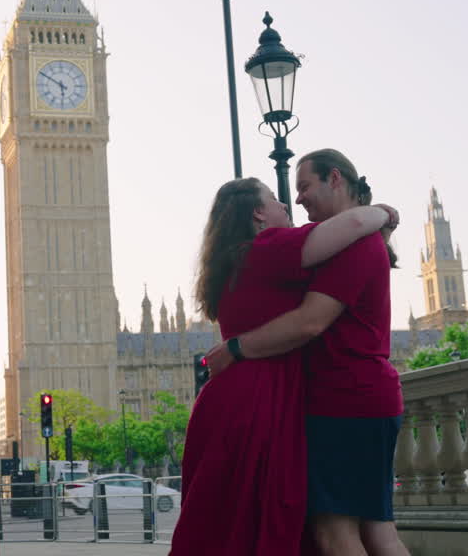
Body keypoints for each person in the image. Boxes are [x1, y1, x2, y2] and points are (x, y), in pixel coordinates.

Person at [169, 177, 398, 556]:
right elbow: (354, 226)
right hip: (260, 400)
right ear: (258, 213)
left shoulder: (233, 258)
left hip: (228, 402)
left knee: (224, 524)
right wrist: (383, 212)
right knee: (265, 521)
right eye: (274, 199)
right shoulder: (267, 246)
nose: (287, 205)